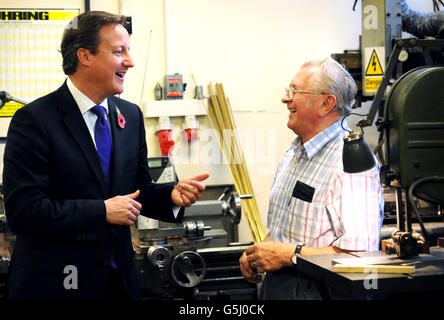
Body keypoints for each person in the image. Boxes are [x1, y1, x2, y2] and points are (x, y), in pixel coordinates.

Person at [2, 11, 209, 300]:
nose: (130, 61)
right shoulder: (34, 121)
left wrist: (171, 196)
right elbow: (24, 211)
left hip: (117, 281)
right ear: (85, 56)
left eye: (129, 51)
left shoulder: (130, 116)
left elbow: (135, 191)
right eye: (118, 51)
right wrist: (102, 211)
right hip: (56, 284)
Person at [239, 57, 384, 300]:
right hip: (279, 288)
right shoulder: (295, 152)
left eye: (295, 91)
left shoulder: (350, 161)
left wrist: (289, 255)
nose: (286, 98)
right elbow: (285, 230)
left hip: (319, 292)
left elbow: (362, 256)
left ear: (326, 103)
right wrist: (259, 252)